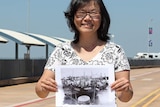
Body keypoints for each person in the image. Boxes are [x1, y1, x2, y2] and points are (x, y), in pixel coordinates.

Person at [35, 0, 133, 104]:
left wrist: (125, 89)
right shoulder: (61, 50)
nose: (87, 18)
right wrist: (43, 87)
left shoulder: (115, 51)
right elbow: (40, 92)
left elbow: (125, 97)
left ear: (102, 17)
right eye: (81, 13)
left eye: (93, 13)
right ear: (72, 17)